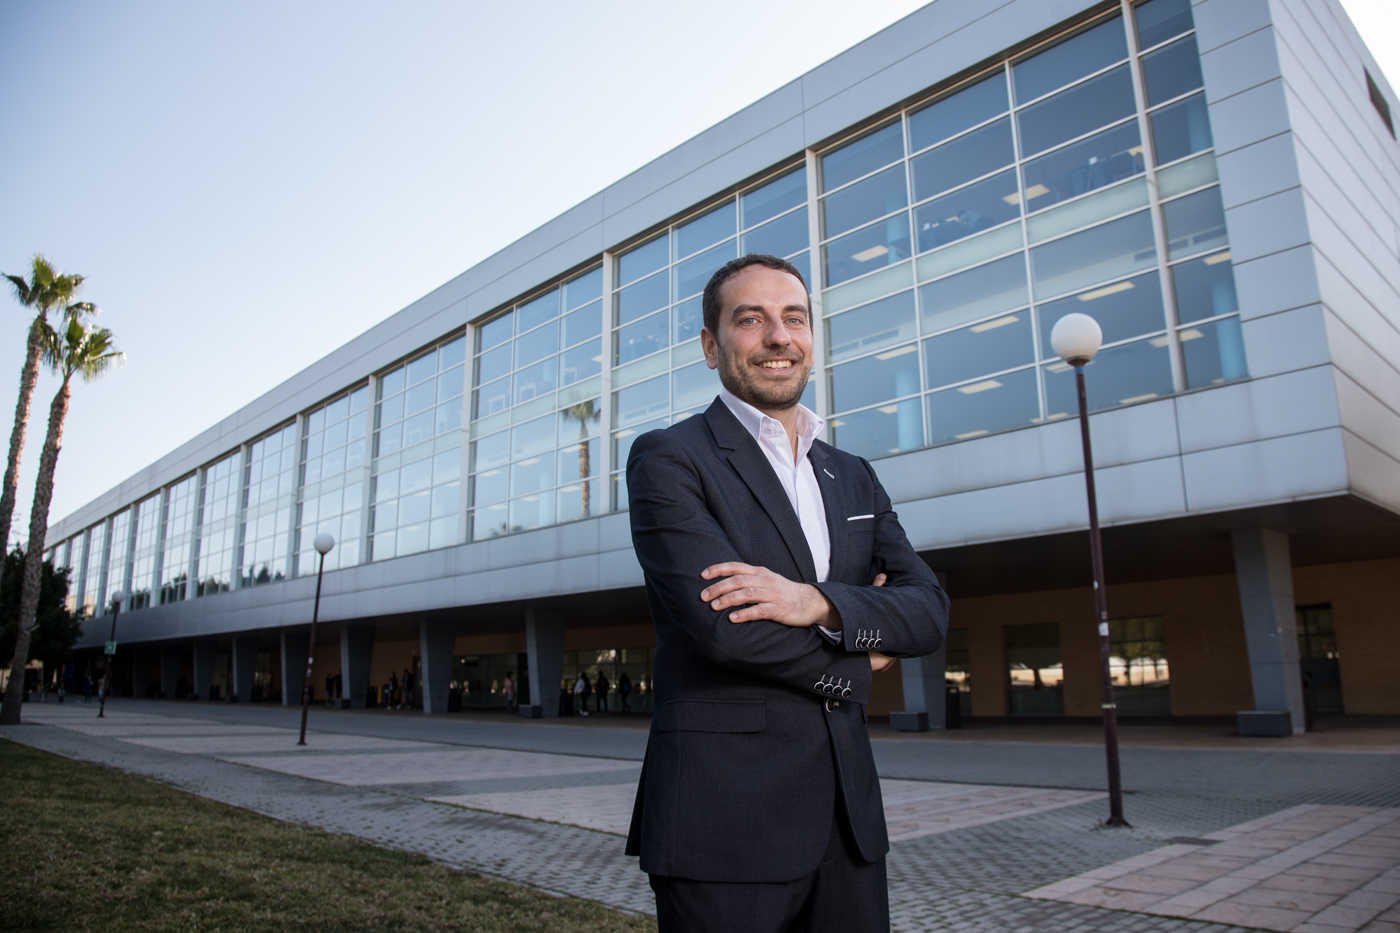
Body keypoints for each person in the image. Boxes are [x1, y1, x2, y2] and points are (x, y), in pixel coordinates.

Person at [625, 254, 948, 933]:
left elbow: (928, 609)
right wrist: (866, 659)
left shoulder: (851, 474)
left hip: (848, 826)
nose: (779, 336)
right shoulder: (670, 459)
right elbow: (728, 628)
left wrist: (819, 603)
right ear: (711, 346)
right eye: (752, 319)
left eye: (793, 317)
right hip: (722, 825)